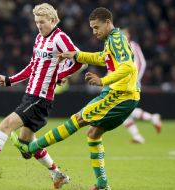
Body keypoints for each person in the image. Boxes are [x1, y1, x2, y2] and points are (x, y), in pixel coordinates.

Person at [0, 3, 84, 189]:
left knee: (6, 125)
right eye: (37, 22)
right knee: (27, 145)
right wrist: (10, 80)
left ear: (53, 20)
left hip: (40, 98)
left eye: (42, 22)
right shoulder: (39, 38)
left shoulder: (60, 38)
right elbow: (32, 66)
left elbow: (78, 60)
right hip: (30, 95)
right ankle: (58, 175)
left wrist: (60, 76)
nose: (39, 25)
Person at [11, 7, 140, 190]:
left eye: (96, 28)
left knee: (77, 119)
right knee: (93, 135)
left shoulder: (117, 39)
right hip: (119, 94)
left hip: (120, 95)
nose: (94, 32)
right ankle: (102, 184)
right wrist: (77, 55)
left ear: (107, 22)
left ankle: (30, 148)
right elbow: (103, 58)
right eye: (92, 28)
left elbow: (128, 67)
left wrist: (103, 80)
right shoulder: (112, 39)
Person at [121, 27, 162, 144]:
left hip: (131, 82)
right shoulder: (120, 49)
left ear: (128, 35)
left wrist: (136, 79)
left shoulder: (133, 45)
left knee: (120, 108)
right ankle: (140, 132)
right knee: (123, 109)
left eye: (123, 34)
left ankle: (151, 120)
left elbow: (141, 63)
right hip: (123, 82)